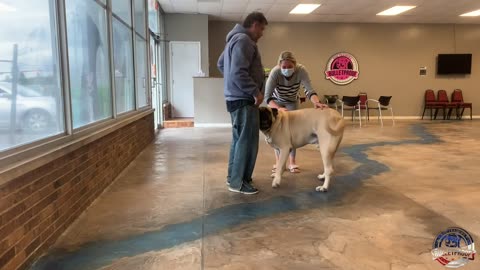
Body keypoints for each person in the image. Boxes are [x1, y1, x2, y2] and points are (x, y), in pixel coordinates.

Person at [217, 12, 268, 195]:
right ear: (254, 25)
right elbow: (238, 72)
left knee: (239, 140)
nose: (262, 33)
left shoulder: (233, 40)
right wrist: (255, 92)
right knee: (247, 142)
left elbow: (221, 64)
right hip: (245, 99)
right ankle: (239, 182)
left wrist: (232, 83)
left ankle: (234, 177)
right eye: (261, 28)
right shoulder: (245, 41)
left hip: (236, 98)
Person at [265, 51, 328, 174]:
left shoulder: (301, 70)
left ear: (295, 65)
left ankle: (292, 162)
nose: (287, 69)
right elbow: (267, 97)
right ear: (279, 65)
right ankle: (278, 162)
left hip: (292, 101)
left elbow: (309, 90)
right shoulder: (275, 72)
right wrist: (277, 108)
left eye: (290, 67)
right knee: (277, 132)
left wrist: (316, 102)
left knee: (292, 132)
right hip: (275, 101)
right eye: (284, 67)